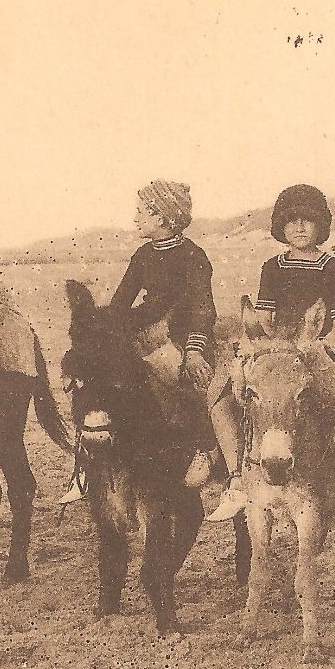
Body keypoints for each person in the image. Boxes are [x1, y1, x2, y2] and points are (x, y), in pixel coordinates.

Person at [57, 180, 219, 505]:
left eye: (141, 212)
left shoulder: (193, 256)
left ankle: (203, 449)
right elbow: (120, 304)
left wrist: (194, 349)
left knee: (177, 378)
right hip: (143, 330)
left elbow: (204, 307)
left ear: (162, 218)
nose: (135, 219)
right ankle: (88, 463)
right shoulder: (143, 255)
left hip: (180, 334)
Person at [207, 184, 335, 522]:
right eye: (292, 222)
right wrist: (254, 343)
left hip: (319, 341)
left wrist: (326, 343)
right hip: (278, 342)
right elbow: (264, 316)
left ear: (320, 226)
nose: (299, 227)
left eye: (307, 221)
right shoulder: (272, 267)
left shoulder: (334, 268)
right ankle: (235, 477)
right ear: (281, 228)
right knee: (222, 391)